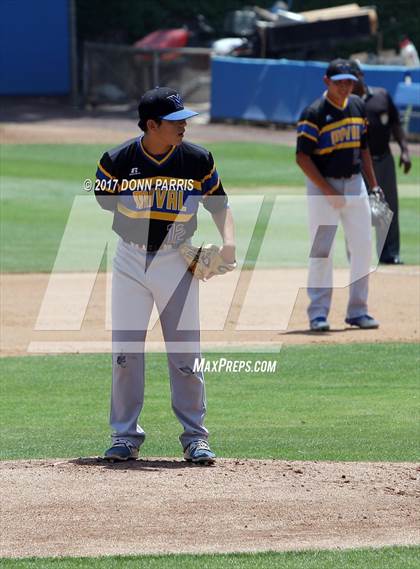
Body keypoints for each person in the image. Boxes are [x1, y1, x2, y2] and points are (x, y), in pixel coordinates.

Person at [95, 87, 236, 463]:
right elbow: (104, 200)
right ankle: (124, 436)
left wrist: (230, 245)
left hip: (177, 261)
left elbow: (219, 203)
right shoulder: (116, 160)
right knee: (125, 352)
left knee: (186, 353)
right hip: (130, 261)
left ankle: (195, 437)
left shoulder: (197, 159)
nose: (184, 126)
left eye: (185, 119)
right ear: (152, 125)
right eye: (175, 121)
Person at [296, 59, 380, 332]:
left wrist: (374, 185)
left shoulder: (357, 105)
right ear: (326, 82)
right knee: (323, 251)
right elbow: (302, 158)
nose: (345, 86)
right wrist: (328, 190)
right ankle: (318, 313)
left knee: (364, 247)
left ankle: (358, 310)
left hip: (355, 184)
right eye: (339, 81)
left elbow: (364, 148)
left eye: (349, 81)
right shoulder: (314, 112)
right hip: (323, 185)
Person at [349, 59, 412, 264]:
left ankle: (390, 255)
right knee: (358, 211)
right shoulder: (347, 104)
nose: (351, 82)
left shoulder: (381, 96)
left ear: (361, 76)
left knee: (387, 208)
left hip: (383, 160)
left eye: (354, 77)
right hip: (357, 165)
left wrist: (404, 151)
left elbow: (396, 124)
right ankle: (356, 256)